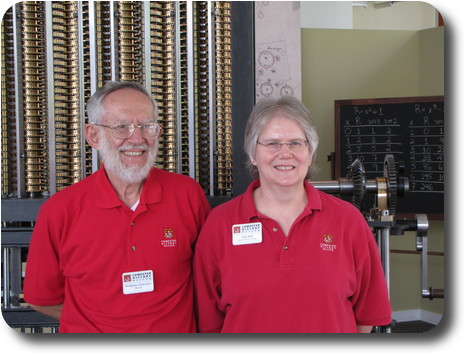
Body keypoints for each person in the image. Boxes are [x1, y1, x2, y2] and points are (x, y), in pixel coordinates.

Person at [23, 81, 210, 333]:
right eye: (122, 127)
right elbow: (41, 298)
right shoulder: (60, 210)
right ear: (93, 136)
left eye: (147, 126)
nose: (137, 138)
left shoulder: (187, 195)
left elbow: (211, 281)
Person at [193, 96, 392, 333]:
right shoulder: (219, 224)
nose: (285, 153)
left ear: (310, 153)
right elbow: (209, 322)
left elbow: (366, 315)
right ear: (253, 154)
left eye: (296, 143)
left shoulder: (348, 221)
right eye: (273, 143)